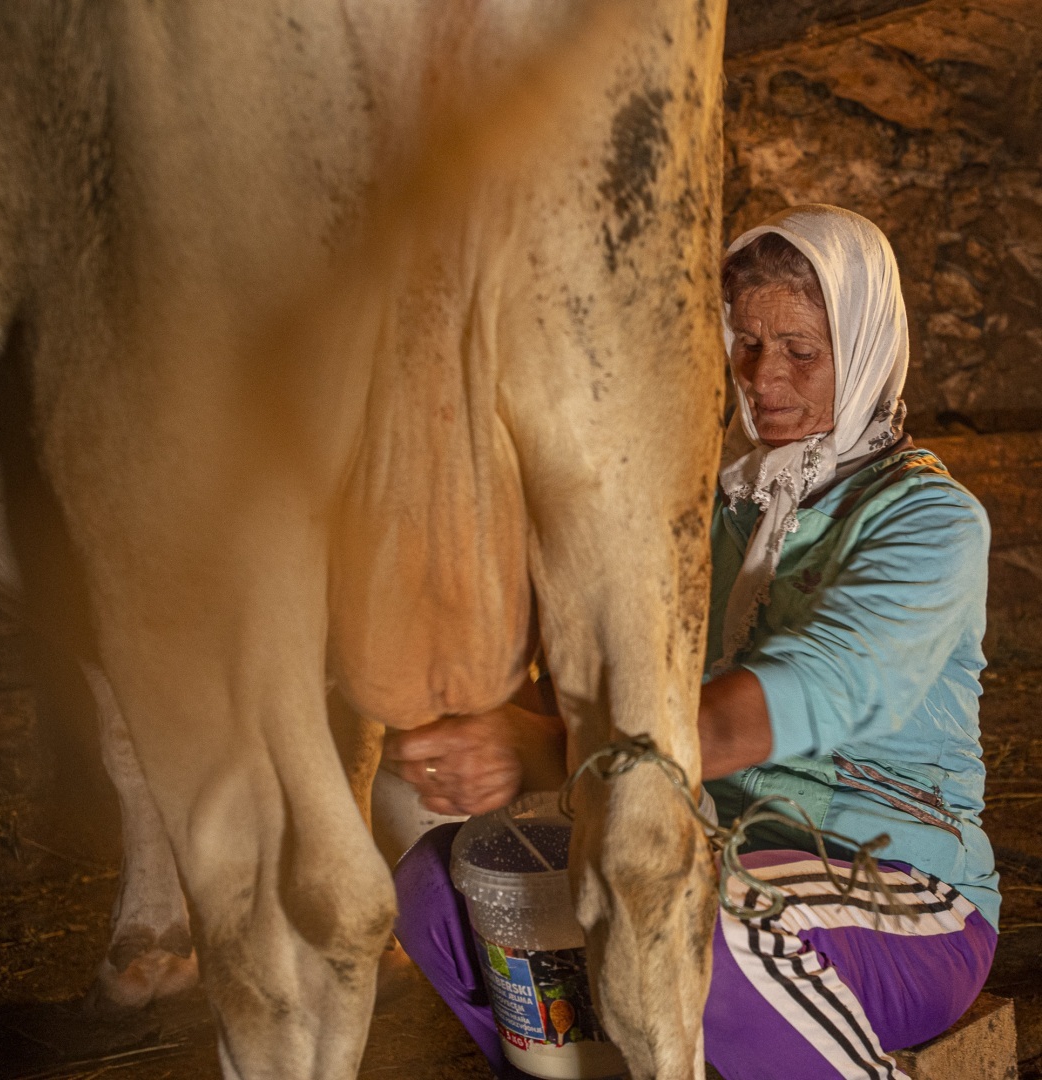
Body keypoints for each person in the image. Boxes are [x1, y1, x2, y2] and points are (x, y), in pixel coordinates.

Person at [382, 205, 1000, 1080]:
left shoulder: (928, 520)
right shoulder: (712, 513)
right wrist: (508, 736)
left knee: (688, 928)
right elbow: (606, 691)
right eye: (744, 343)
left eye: (800, 350)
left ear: (862, 347)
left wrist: (547, 749)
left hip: (897, 896)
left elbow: (819, 683)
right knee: (436, 888)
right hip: (704, 854)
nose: (763, 377)